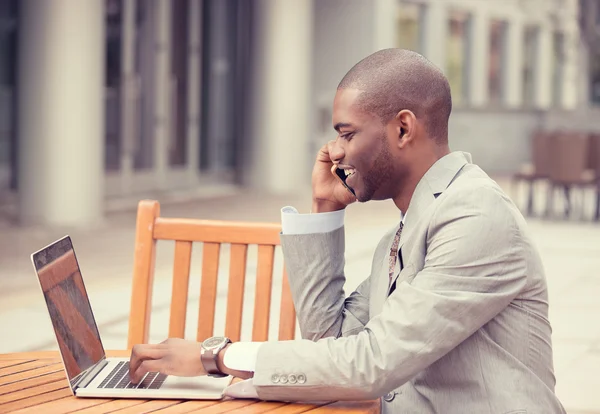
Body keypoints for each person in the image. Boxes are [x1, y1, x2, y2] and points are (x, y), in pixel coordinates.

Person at [128, 48, 565, 413]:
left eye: (347, 133)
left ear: (402, 128)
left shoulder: (475, 216)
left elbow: (372, 364)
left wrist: (217, 357)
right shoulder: (409, 227)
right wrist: (322, 210)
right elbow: (331, 340)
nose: (334, 151)